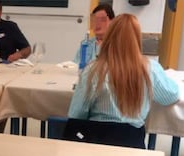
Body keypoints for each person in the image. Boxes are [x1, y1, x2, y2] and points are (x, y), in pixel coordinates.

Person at [68, 14, 179, 147]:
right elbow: (171, 96)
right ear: (138, 39)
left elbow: (76, 114)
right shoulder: (151, 69)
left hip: (96, 143)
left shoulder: (93, 70)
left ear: (109, 37)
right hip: (133, 143)